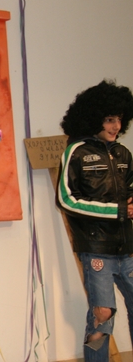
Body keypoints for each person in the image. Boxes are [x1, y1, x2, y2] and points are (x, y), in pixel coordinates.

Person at [56, 80, 133, 362]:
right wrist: (117, 211)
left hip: (128, 247)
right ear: (93, 118)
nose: (116, 126)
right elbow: (66, 200)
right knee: (103, 314)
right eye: (109, 119)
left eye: (120, 120)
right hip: (96, 248)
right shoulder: (76, 152)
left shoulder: (123, 153)